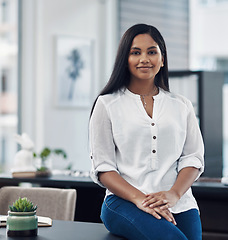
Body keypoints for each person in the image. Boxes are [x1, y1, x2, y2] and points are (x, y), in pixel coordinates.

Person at [89, 23, 204, 240]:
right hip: (124, 202)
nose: (144, 58)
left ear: (162, 59)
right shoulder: (107, 104)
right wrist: (140, 198)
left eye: (152, 52)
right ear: (125, 59)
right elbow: (103, 168)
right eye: (135, 52)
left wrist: (174, 194)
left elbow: (193, 158)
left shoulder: (182, 105)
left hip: (179, 201)